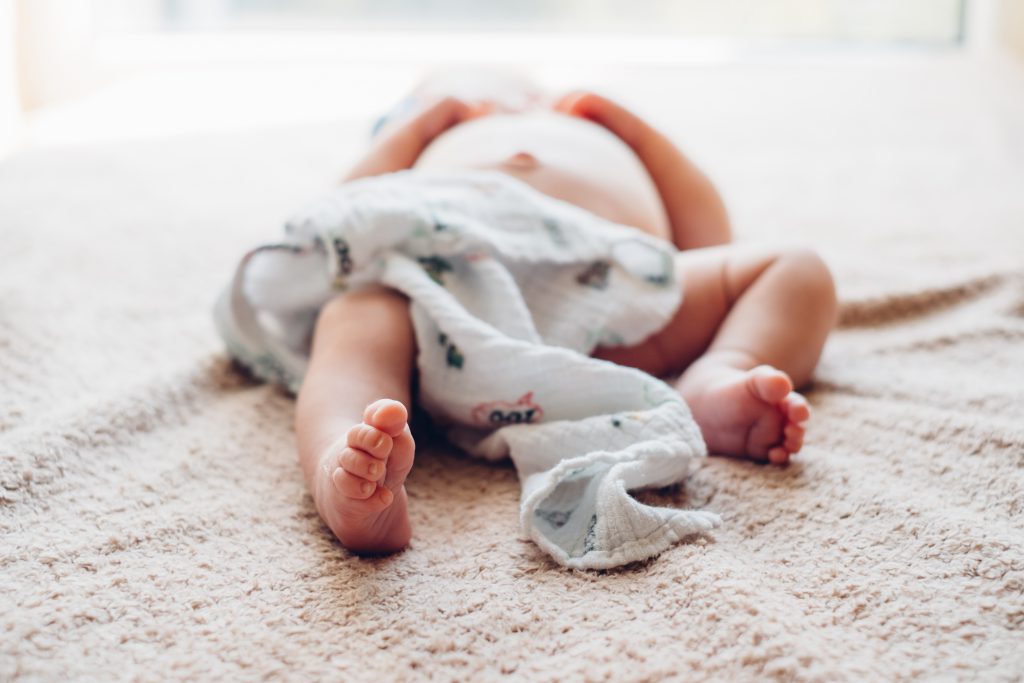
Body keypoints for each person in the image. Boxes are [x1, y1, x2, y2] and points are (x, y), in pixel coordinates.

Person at [292, 73, 837, 554]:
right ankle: (342, 463)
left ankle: (717, 374)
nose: (510, 100)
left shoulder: (588, 124)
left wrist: (640, 136)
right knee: (354, 313)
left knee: (796, 266)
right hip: (439, 289)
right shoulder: (428, 138)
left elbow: (708, 238)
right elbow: (338, 230)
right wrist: (418, 127)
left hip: (613, 292)